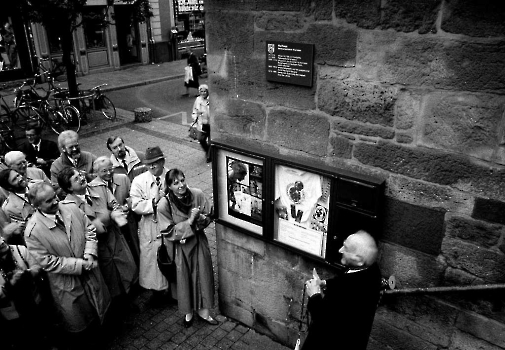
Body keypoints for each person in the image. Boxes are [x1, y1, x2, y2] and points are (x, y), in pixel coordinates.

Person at [24, 182, 111, 345]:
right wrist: (79, 265)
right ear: (36, 206)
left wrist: (90, 252)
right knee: (82, 320)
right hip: (68, 282)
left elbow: (89, 229)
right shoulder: (33, 232)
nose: (56, 201)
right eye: (49, 201)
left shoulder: (70, 208)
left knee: (101, 308)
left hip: (90, 268)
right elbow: (46, 262)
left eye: (55, 197)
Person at [57, 167, 137, 302]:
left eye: (80, 175)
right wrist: (100, 223)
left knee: (127, 271)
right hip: (98, 248)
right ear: (69, 188)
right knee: (110, 280)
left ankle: (130, 297)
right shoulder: (67, 207)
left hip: (115, 239)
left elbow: (114, 205)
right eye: (76, 179)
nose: (82, 178)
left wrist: (118, 212)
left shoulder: (100, 187)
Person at [158, 168, 218, 327]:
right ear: (169, 186)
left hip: (198, 243)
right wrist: (190, 221)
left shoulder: (197, 194)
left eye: (182, 180)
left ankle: (204, 312)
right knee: (184, 280)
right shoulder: (164, 204)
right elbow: (167, 231)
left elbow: (211, 214)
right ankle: (188, 313)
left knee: (203, 276)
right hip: (181, 249)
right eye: (175, 183)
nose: (181, 185)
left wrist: (202, 219)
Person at [302, 230, 382, 350]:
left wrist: (314, 295)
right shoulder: (371, 271)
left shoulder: (348, 289)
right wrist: (325, 283)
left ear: (359, 259)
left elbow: (324, 322)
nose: (340, 250)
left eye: (346, 248)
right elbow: (346, 279)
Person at [130, 146, 172, 307]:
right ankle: (156, 293)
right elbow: (135, 204)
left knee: (170, 258)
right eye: (148, 164)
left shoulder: (172, 176)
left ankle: (173, 291)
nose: (152, 167)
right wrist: (153, 202)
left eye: (155, 163)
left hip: (168, 224)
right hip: (149, 226)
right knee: (152, 261)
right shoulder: (139, 181)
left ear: (162, 161)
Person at [0, 236, 53, 349]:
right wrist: (11, 284)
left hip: (34, 301)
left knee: (43, 330)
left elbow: (36, 266)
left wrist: (27, 273)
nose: (2, 242)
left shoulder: (20, 249)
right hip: (14, 315)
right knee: (26, 340)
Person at [94, 156, 140, 266]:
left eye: (111, 169)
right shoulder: (93, 187)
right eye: (104, 171)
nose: (109, 173)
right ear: (96, 172)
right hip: (112, 229)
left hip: (128, 222)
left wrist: (127, 206)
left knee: (135, 248)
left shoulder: (122, 178)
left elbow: (132, 196)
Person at [0, 169, 35, 245]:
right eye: (14, 179)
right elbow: (26, 232)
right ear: (9, 188)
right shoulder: (10, 208)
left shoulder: (37, 185)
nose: (20, 178)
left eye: (18, 175)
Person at [192, 84, 211, 162]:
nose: (203, 93)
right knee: (200, 139)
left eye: (205, 91)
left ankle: (209, 156)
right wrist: (195, 117)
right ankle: (207, 151)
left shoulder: (211, 99)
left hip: (211, 124)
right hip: (202, 124)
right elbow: (194, 111)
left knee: (211, 141)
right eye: (201, 91)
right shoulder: (198, 99)